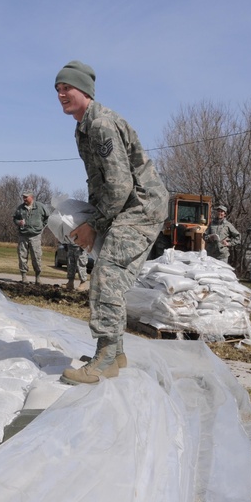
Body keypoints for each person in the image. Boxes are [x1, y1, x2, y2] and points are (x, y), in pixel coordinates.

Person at [54, 60, 169, 385]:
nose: (62, 94)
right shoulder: (83, 127)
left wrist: (95, 224)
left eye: (68, 88)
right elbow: (100, 182)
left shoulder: (101, 125)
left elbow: (119, 186)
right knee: (108, 273)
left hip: (140, 205)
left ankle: (105, 356)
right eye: (58, 89)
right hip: (127, 204)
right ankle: (114, 353)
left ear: (85, 91)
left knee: (107, 275)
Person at [13, 191, 49, 283]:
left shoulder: (40, 207)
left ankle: (38, 277)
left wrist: (41, 227)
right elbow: (15, 218)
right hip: (23, 235)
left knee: (36, 257)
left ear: (31, 197)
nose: (24, 199)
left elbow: (47, 217)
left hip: (35, 236)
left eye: (26, 197)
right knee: (22, 256)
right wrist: (18, 222)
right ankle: (24, 277)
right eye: (23, 197)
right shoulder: (20, 208)